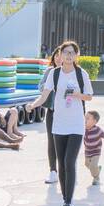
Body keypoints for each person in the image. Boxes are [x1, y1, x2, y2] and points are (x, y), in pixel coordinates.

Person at [36, 40, 92, 206]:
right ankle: (65, 200)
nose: (68, 56)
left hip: (76, 124)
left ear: (77, 55)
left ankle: (68, 203)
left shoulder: (81, 74)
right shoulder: (54, 73)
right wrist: (32, 105)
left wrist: (77, 95)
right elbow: (44, 95)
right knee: (61, 163)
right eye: (65, 52)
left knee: (69, 161)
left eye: (71, 52)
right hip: (58, 125)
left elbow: (89, 96)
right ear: (60, 55)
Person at [28, 46, 64, 184]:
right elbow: (41, 86)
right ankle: (53, 170)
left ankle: (63, 169)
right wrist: (49, 87)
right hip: (52, 111)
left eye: (60, 55)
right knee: (52, 141)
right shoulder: (50, 71)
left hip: (65, 113)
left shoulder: (71, 73)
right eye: (56, 55)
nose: (58, 58)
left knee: (63, 141)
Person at [83, 110, 104, 186]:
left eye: (88, 118)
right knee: (87, 164)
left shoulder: (98, 130)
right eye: (85, 118)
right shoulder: (83, 129)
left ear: (94, 122)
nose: (85, 120)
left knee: (92, 166)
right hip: (87, 151)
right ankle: (97, 169)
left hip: (96, 150)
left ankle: (96, 177)